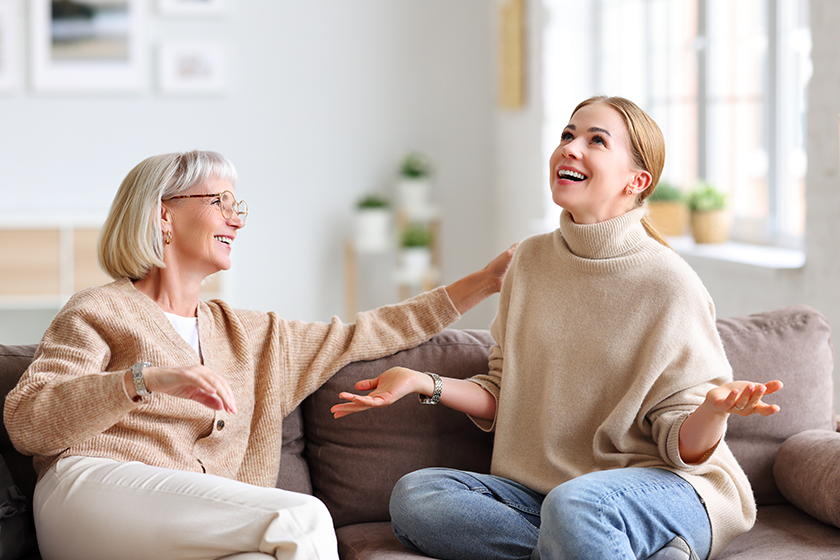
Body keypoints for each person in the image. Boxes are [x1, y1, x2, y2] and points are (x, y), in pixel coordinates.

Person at [3, 150, 516, 560]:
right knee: (302, 518)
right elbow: (29, 421)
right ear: (164, 214)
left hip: (186, 523)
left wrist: (484, 282)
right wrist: (146, 380)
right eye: (220, 202)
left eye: (237, 206)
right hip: (89, 496)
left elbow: (372, 331)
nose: (237, 220)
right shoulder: (99, 309)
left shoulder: (251, 336)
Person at [331, 96, 783, 560]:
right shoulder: (529, 261)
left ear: (637, 181)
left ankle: (594, 539)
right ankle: (605, 549)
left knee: (577, 507)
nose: (571, 147)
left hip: (668, 490)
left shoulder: (669, 283)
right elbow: (506, 391)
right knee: (416, 497)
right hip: (549, 498)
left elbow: (684, 447)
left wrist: (713, 411)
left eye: (596, 141)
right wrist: (423, 383)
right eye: (568, 135)